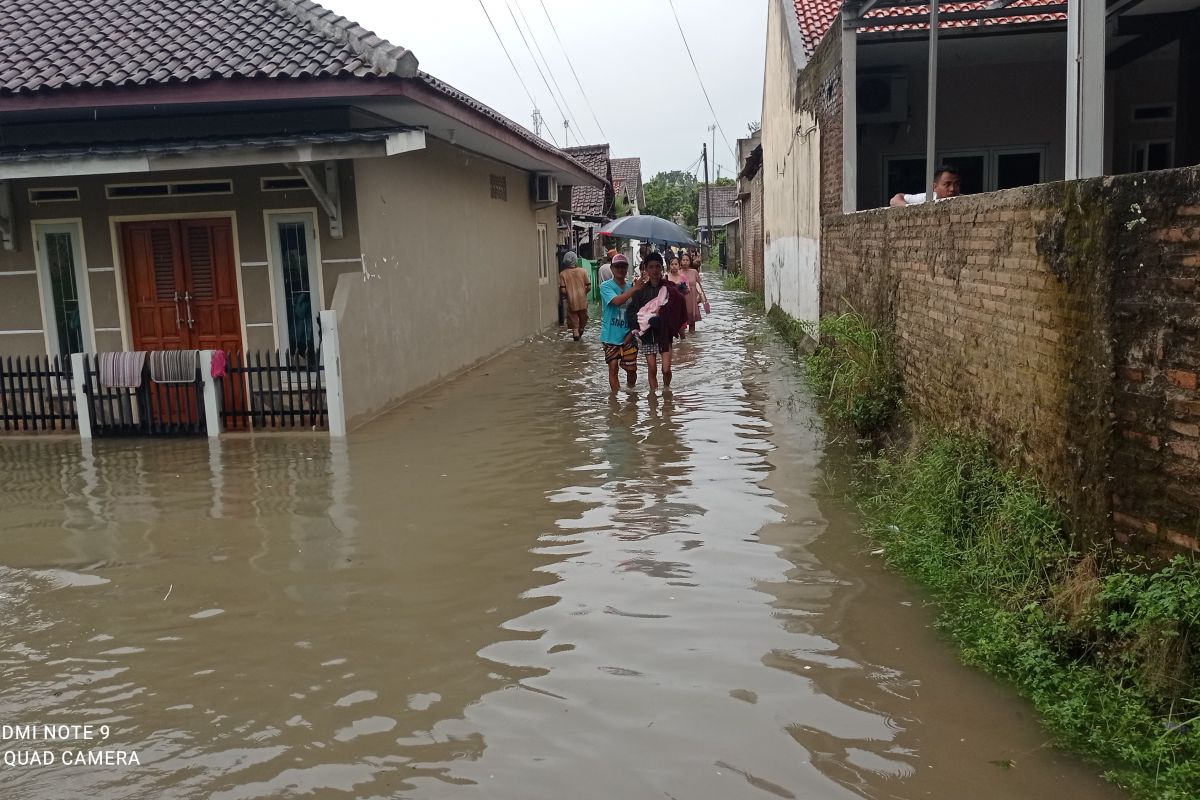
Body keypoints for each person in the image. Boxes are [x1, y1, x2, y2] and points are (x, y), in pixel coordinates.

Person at [626, 252, 687, 391]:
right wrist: (637, 328)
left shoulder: (669, 288)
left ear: (662, 269)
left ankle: (666, 391)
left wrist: (663, 315)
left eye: (657, 267)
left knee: (666, 370)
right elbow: (632, 311)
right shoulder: (640, 292)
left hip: (664, 335)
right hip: (647, 336)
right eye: (651, 267)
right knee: (652, 369)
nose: (654, 270)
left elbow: (678, 307)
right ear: (646, 269)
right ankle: (653, 401)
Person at [600, 254, 640, 391]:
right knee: (613, 368)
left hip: (628, 334)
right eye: (617, 266)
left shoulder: (632, 286)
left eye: (623, 266)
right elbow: (616, 301)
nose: (620, 269)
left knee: (631, 369)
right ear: (611, 268)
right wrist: (634, 289)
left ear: (627, 268)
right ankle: (615, 400)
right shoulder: (605, 286)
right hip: (610, 336)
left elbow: (638, 312)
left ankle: (631, 392)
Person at [890, 165, 962, 207]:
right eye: (947, 184)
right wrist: (909, 209)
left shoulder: (966, 201)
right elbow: (895, 199)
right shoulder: (927, 198)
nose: (952, 189)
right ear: (935, 187)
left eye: (956, 184)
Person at [558, 250, 592, 340]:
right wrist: (583, 292)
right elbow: (589, 287)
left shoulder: (563, 274)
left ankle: (576, 347)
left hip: (572, 302)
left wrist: (569, 293)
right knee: (583, 322)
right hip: (583, 302)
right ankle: (581, 334)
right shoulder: (583, 271)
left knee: (574, 326)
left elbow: (563, 290)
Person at [679, 251, 705, 335]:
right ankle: (683, 343)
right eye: (683, 260)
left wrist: (701, 297)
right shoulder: (678, 273)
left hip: (693, 300)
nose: (685, 261)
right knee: (681, 325)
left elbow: (699, 286)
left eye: (687, 260)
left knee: (692, 325)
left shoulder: (694, 272)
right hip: (682, 300)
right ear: (680, 261)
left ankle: (692, 343)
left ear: (690, 261)